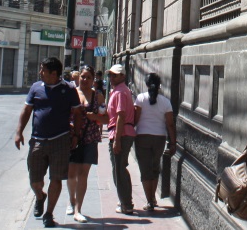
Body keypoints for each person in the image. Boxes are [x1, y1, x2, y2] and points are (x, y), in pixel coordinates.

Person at [14, 57, 84, 228]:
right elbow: (27, 110)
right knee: (34, 179)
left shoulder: (68, 89)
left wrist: (75, 134)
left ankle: (49, 213)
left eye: (43, 70)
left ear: (54, 73)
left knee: (56, 178)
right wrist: (19, 132)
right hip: (37, 140)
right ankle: (40, 196)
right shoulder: (36, 87)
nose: (40, 73)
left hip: (60, 140)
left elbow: (77, 113)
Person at [64, 65, 106, 224]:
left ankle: (78, 210)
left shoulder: (98, 96)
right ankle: (71, 199)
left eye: (89, 77)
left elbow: (105, 119)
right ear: (78, 77)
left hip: (90, 138)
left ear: (93, 79)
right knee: (71, 173)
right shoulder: (71, 94)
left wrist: (93, 116)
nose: (85, 80)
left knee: (83, 174)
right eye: (83, 76)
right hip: (73, 138)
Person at [133, 72, 176, 212]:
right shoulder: (166, 102)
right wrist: (173, 142)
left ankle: (149, 201)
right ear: (159, 86)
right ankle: (153, 198)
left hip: (142, 137)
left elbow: (135, 120)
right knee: (155, 168)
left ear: (146, 84)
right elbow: (170, 124)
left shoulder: (140, 98)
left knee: (145, 170)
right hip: (160, 138)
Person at [105, 63, 137, 215]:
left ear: (122, 76)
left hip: (121, 134)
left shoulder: (120, 92)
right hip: (122, 132)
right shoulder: (120, 91)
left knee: (119, 169)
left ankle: (126, 203)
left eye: (115, 75)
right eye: (110, 75)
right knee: (119, 168)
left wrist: (117, 140)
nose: (111, 77)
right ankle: (124, 200)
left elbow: (121, 116)